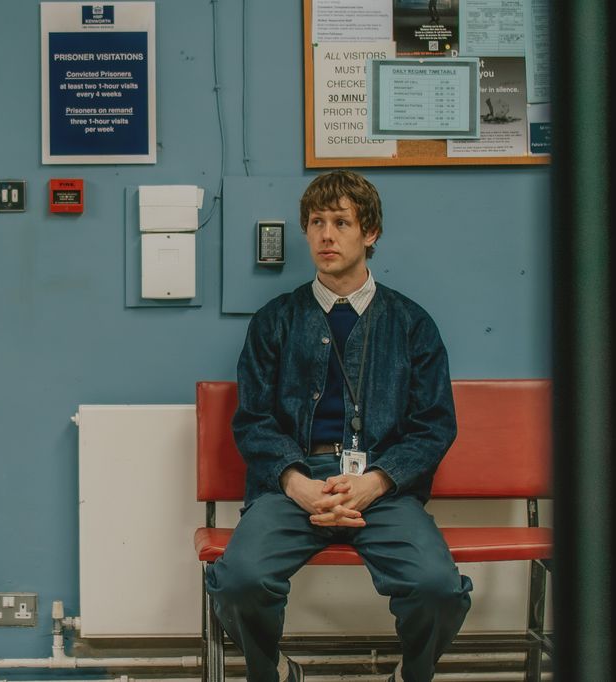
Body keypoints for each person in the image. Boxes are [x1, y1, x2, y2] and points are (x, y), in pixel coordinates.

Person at [205, 170, 472, 682]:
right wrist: (297, 484)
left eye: (341, 222)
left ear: (369, 233)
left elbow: (434, 426)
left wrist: (374, 483)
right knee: (238, 580)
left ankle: (409, 675)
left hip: (384, 487)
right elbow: (254, 420)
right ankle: (274, 672)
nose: (326, 235)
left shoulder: (413, 324)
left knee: (438, 588)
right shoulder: (274, 321)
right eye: (316, 222)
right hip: (293, 486)